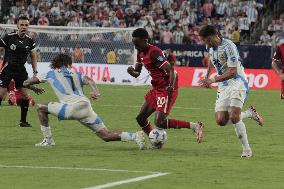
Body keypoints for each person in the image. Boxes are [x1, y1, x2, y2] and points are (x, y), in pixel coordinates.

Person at [23, 53, 146, 149]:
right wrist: (95, 91)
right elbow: (90, 80)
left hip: (71, 109)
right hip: (86, 106)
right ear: (68, 63)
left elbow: (26, 82)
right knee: (105, 135)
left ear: (56, 64)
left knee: (40, 107)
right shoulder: (78, 73)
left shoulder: (50, 73)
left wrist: (34, 88)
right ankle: (135, 136)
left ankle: (48, 140)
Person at [127, 28, 204, 147]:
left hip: (166, 87)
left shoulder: (154, 52)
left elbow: (171, 70)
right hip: (157, 87)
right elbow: (137, 72)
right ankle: (155, 140)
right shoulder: (140, 52)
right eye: (134, 44)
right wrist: (131, 71)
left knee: (160, 122)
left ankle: (195, 126)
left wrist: (170, 86)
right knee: (140, 118)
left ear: (145, 40)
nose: (135, 46)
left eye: (136, 43)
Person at [198, 25, 264, 158]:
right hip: (223, 84)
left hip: (237, 81)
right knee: (221, 121)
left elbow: (233, 72)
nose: (205, 43)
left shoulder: (229, 46)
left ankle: (246, 150)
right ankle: (249, 113)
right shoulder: (210, 47)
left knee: (234, 116)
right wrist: (206, 76)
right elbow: (211, 60)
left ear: (212, 36)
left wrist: (212, 80)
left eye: (205, 40)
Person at [0, 15, 38, 127]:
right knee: (1, 95)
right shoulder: (8, 37)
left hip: (21, 70)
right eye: (22, 25)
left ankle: (23, 121)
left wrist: (35, 72)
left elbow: (33, 57)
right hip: (8, 69)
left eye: (26, 25)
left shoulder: (30, 41)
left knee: (26, 96)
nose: (24, 27)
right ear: (17, 25)